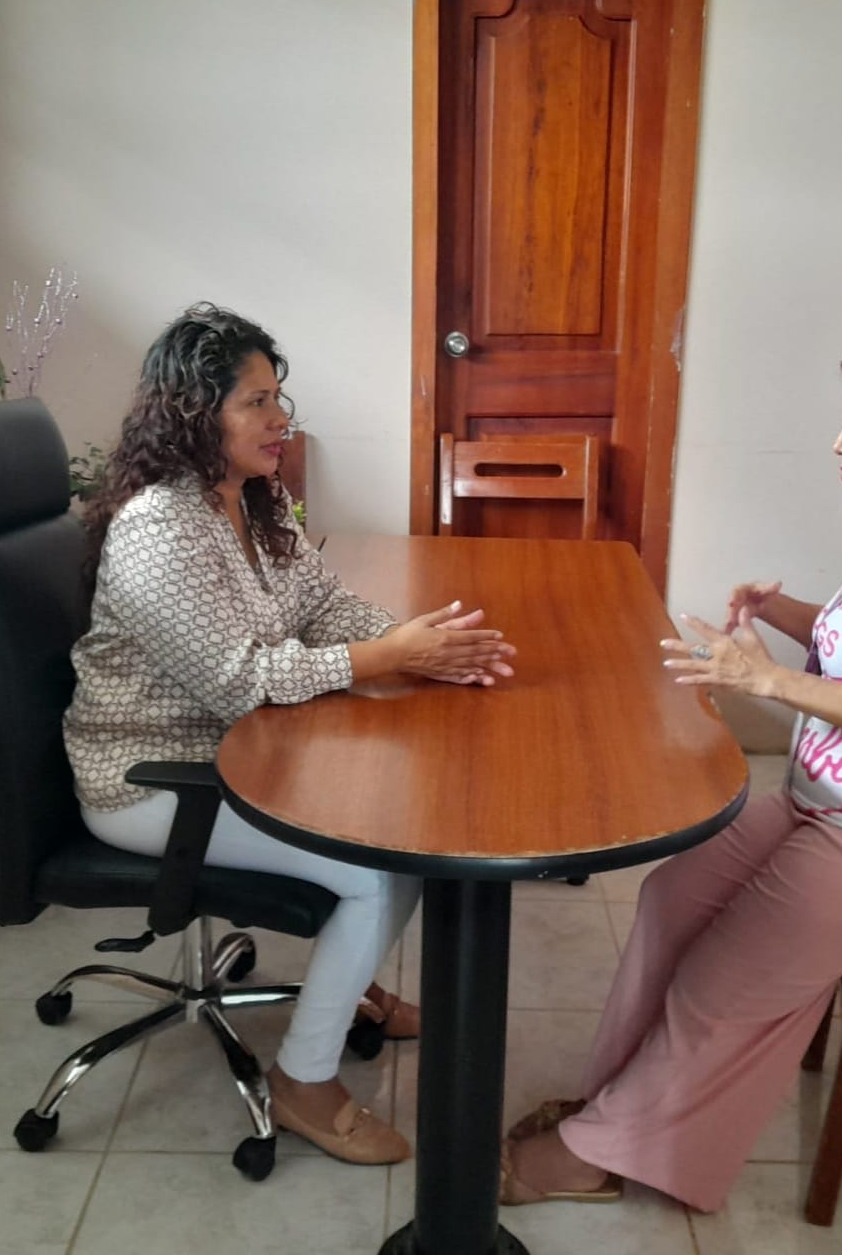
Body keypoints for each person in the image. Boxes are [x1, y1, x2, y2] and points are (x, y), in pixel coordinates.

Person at [500, 309, 842, 1211]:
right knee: (672, 897)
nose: (838, 442)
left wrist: (761, 678)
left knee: (727, 977)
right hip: (832, 801)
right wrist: (785, 615)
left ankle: (597, 1154)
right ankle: (612, 1103)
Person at [64, 302, 516, 1166]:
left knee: (404, 825)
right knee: (380, 868)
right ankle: (305, 1081)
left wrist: (417, 647)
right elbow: (238, 679)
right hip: (155, 780)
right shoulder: (160, 527)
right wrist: (387, 657)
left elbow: (320, 604)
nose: (280, 419)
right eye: (256, 402)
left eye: (278, 397)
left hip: (247, 748)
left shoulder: (248, 498)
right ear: (194, 413)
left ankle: (348, 988)